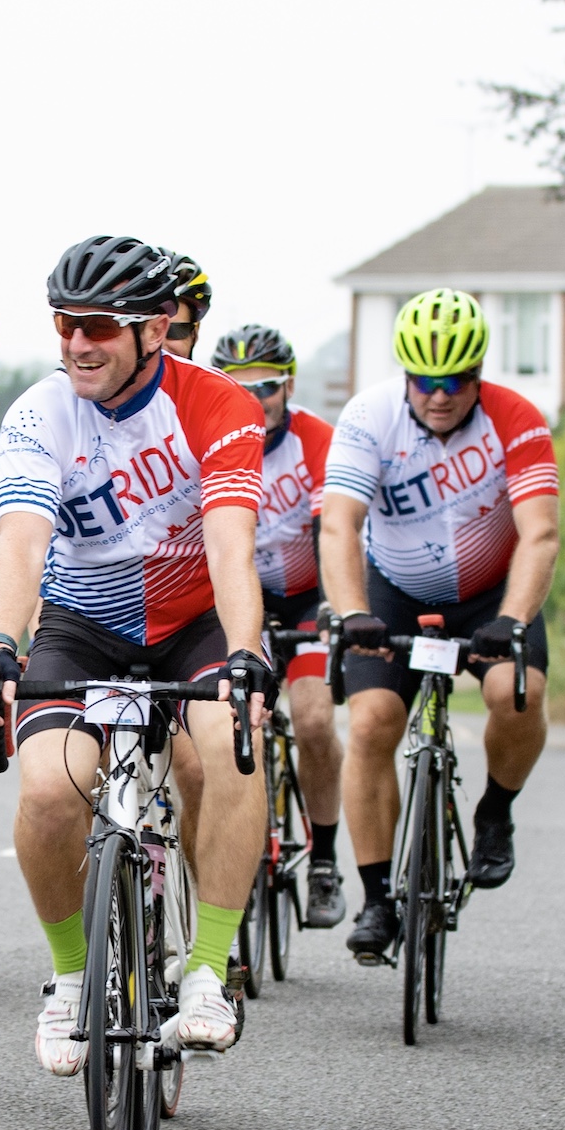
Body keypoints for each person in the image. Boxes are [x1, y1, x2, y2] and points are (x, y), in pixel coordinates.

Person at [0, 235, 273, 1076]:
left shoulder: (218, 406)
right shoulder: (39, 413)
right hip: (84, 622)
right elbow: (20, 548)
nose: (76, 344)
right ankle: (69, 980)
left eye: (98, 325)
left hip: (194, 619)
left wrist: (245, 655)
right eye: (65, 323)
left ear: (156, 327)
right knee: (49, 792)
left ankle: (208, 970)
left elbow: (230, 544)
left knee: (227, 757)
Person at [320, 288, 558, 961]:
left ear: (479, 375)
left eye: (457, 381)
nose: (441, 395)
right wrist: (351, 612)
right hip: (391, 591)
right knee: (370, 724)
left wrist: (512, 619)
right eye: (426, 381)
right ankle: (375, 900)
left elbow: (540, 535)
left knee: (520, 693)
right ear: (405, 375)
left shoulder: (517, 419)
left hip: (490, 597)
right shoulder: (369, 418)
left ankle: (495, 813)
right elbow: (340, 522)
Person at [208, 324, 347, 928]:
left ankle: (324, 859)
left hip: (306, 594)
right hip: (243, 598)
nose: (255, 400)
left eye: (266, 387)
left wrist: (332, 608)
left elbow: (330, 532)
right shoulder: (208, 433)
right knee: (237, 720)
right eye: (239, 388)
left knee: (314, 719)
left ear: (287, 386)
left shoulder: (317, 439)